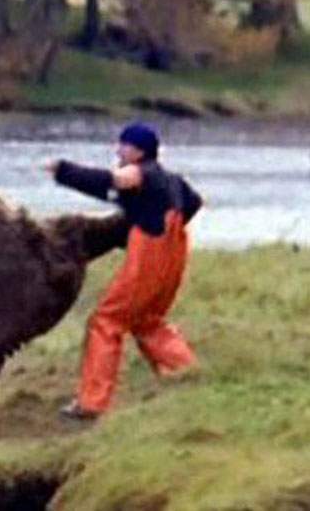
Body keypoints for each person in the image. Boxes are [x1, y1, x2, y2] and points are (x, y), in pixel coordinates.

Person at [45, 122, 203, 420]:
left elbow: (115, 180)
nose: (118, 150)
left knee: (106, 321)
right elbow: (193, 203)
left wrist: (64, 171)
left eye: (123, 145)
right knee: (147, 321)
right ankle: (189, 377)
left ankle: (91, 404)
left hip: (151, 252)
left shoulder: (142, 172)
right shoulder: (173, 180)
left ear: (139, 150)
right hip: (174, 252)